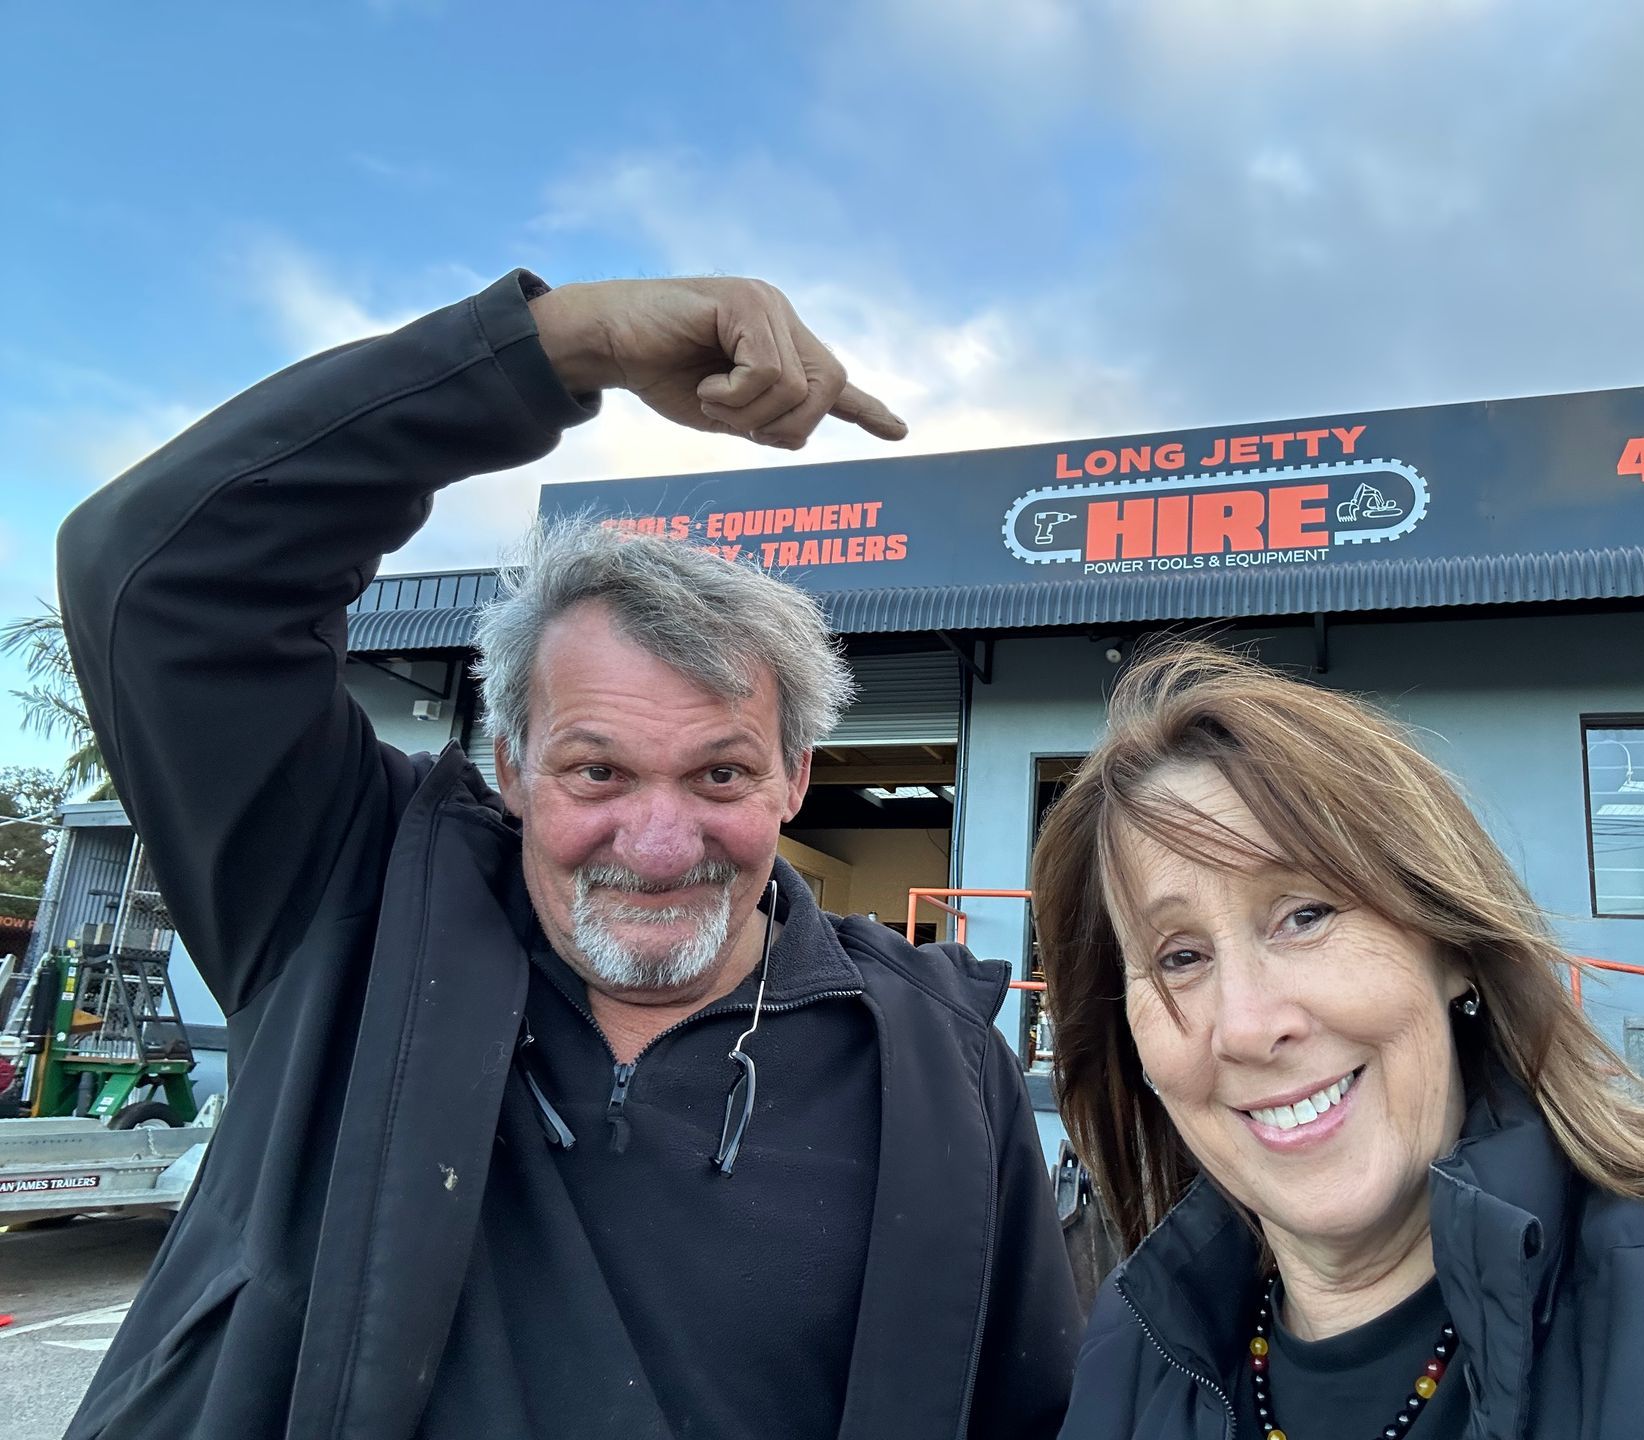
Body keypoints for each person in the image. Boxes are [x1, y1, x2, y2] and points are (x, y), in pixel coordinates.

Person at [57, 271, 1080, 1439]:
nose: (660, 846)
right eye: (598, 772)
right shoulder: (346, 908)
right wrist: (558, 347)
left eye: (721, 774)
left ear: (794, 779)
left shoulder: (942, 1066)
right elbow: (158, 573)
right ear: (511, 765)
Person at [1034, 642, 1644, 1440]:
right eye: (1180, 958)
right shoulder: (1133, 1354)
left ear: (1451, 944)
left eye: (1305, 913)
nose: (1249, 1026)